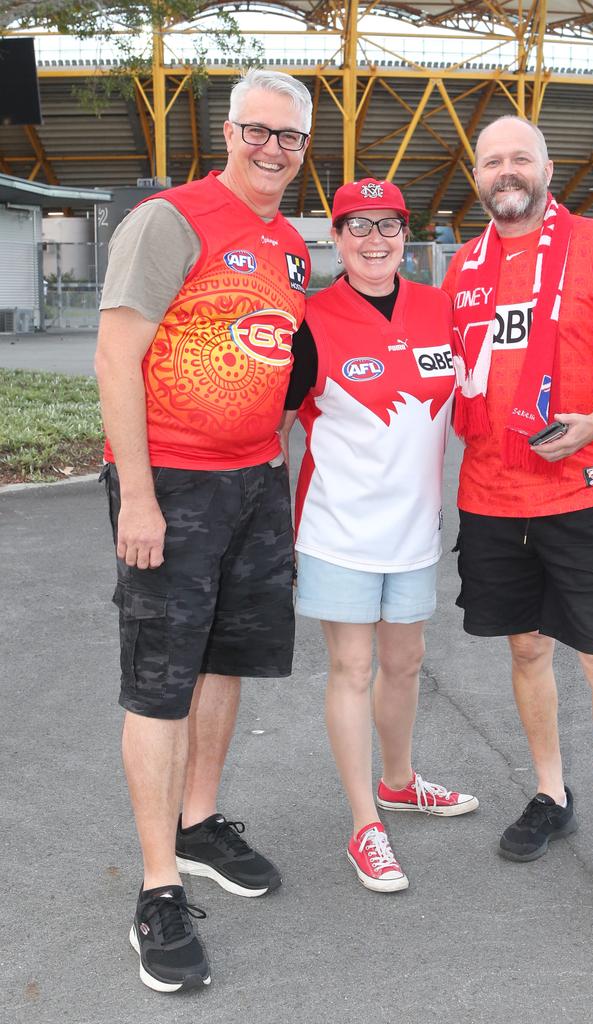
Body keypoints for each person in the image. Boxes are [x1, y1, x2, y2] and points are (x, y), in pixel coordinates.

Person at [94, 69, 313, 993]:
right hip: (172, 484)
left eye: (291, 137)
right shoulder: (171, 220)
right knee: (159, 681)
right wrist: (137, 496)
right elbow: (115, 354)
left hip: (256, 480)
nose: (273, 149)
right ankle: (156, 890)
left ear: (305, 150)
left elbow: (284, 358)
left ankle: (199, 821)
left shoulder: (290, 244)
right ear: (229, 132)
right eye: (259, 131)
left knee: (227, 661)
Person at [442, 116, 593, 910]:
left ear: (547, 169)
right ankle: (552, 794)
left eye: (520, 157)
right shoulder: (464, 266)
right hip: (491, 494)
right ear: (478, 177)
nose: (506, 171)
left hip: (581, 488)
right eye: (492, 161)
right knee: (524, 650)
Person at [280, 178, 478, 894]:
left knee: (405, 662)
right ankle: (366, 824)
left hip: (415, 532)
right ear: (335, 239)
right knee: (353, 669)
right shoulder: (311, 318)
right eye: (357, 227)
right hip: (338, 530)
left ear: (405, 234)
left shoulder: (440, 308)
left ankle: (398, 781)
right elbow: (269, 419)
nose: (373, 240)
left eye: (387, 226)